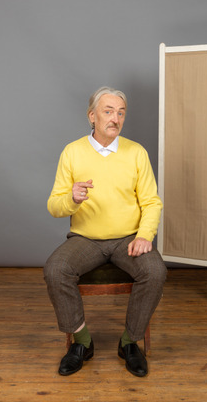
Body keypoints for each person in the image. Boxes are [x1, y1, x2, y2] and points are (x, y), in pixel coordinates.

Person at [44, 86, 167, 377]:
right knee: (55, 269)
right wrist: (71, 198)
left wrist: (144, 235)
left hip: (129, 238)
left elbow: (151, 202)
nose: (116, 118)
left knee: (156, 272)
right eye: (108, 111)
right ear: (92, 116)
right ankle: (82, 342)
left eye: (121, 112)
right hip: (86, 239)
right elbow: (54, 206)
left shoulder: (136, 152)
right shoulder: (72, 152)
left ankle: (129, 342)